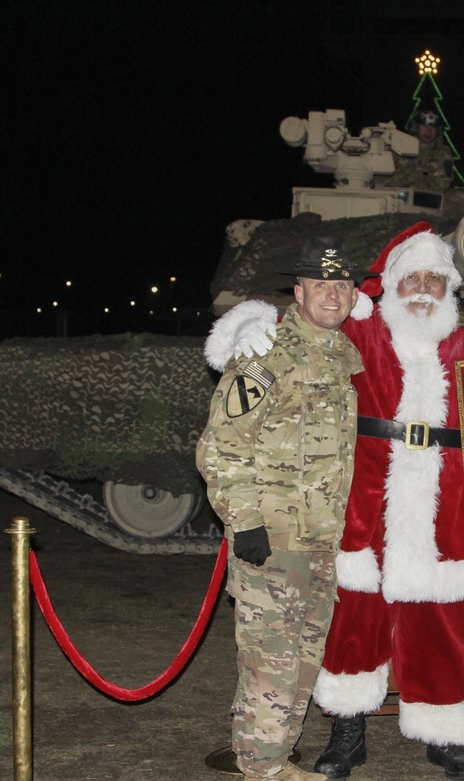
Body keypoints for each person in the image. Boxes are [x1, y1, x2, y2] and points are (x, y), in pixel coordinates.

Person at [205, 222, 464, 780]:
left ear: (449, 288)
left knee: (443, 623)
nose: (422, 289)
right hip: (359, 509)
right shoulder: (356, 339)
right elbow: (295, 333)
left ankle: (444, 732)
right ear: (388, 284)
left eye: (434, 279)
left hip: (446, 510)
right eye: (410, 278)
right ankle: (346, 728)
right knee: (349, 624)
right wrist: (247, 327)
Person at [195, 236, 365, 781]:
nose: (333, 295)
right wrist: (245, 523)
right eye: (321, 285)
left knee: (302, 664)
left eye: (342, 286)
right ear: (299, 292)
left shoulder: (341, 356)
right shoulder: (267, 353)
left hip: (320, 541)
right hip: (272, 539)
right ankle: (264, 769)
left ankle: (273, 755)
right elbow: (220, 446)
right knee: (271, 664)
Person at [376, 108, 454, 194]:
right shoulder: (398, 146)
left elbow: (442, 184)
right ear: (416, 127)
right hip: (395, 196)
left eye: (433, 127)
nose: (429, 131)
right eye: (424, 126)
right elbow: (380, 179)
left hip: (427, 200)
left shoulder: (443, 152)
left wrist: (414, 183)